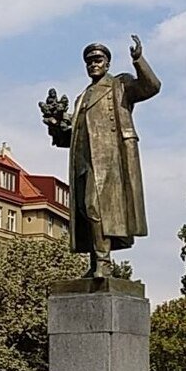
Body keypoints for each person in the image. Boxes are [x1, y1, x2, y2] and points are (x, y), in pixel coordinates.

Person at [41, 35, 161, 277]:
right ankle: (96, 263)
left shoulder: (119, 85)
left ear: (107, 63)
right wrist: (55, 125)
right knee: (86, 213)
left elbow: (151, 87)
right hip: (83, 162)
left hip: (110, 160)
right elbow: (71, 137)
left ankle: (103, 263)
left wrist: (138, 59)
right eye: (89, 61)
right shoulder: (81, 98)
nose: (93, 64)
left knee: (95, 207)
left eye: (98, 59)